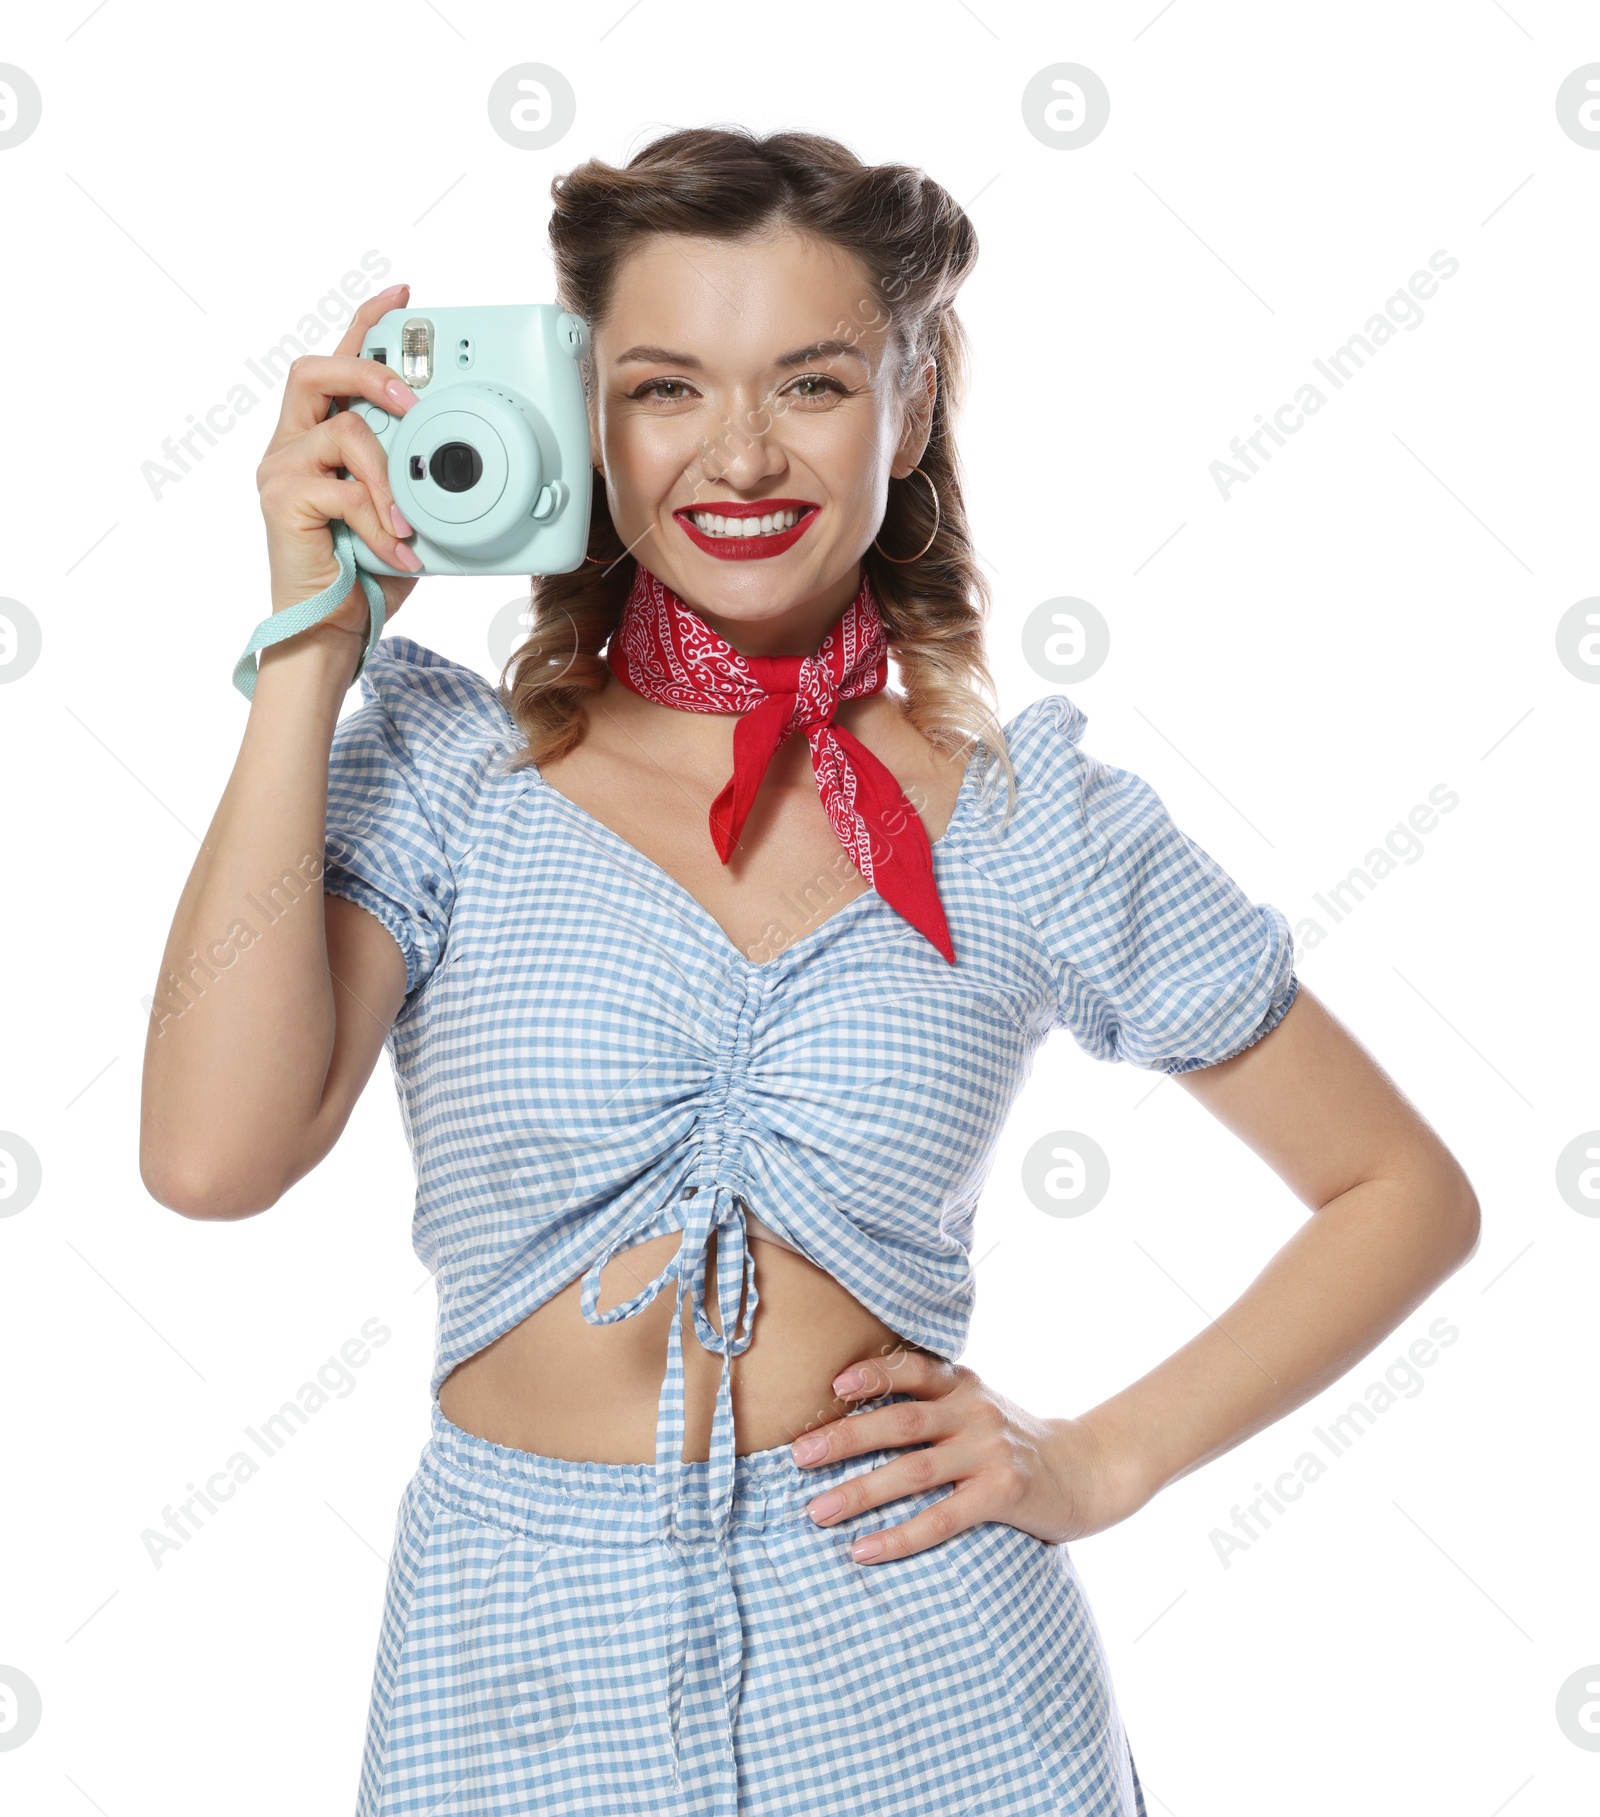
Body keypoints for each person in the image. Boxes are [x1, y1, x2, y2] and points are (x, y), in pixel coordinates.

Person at [140, 126, 1481, 1817]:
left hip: (934, 1678)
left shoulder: (1025, 825)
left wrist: (1098, 1454)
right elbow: (210, 1159)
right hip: (518, 1676)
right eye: (667, 387)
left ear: (911, 409)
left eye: (817, 382)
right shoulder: (450, 782)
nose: (744, 451)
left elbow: (1400, 1190)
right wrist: (311, 653)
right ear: (585, 412)